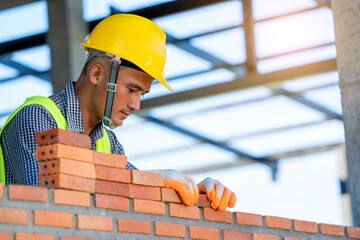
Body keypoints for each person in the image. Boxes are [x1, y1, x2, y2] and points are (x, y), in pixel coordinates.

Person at [0, 14, 236, 211]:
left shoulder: (107, 143)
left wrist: (198, 189)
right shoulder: (37, 118)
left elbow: (132, 190)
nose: (136, 105)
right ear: (97, 74)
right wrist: (157, 181)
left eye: (141, 94)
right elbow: (48, 204)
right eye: (132, 89)